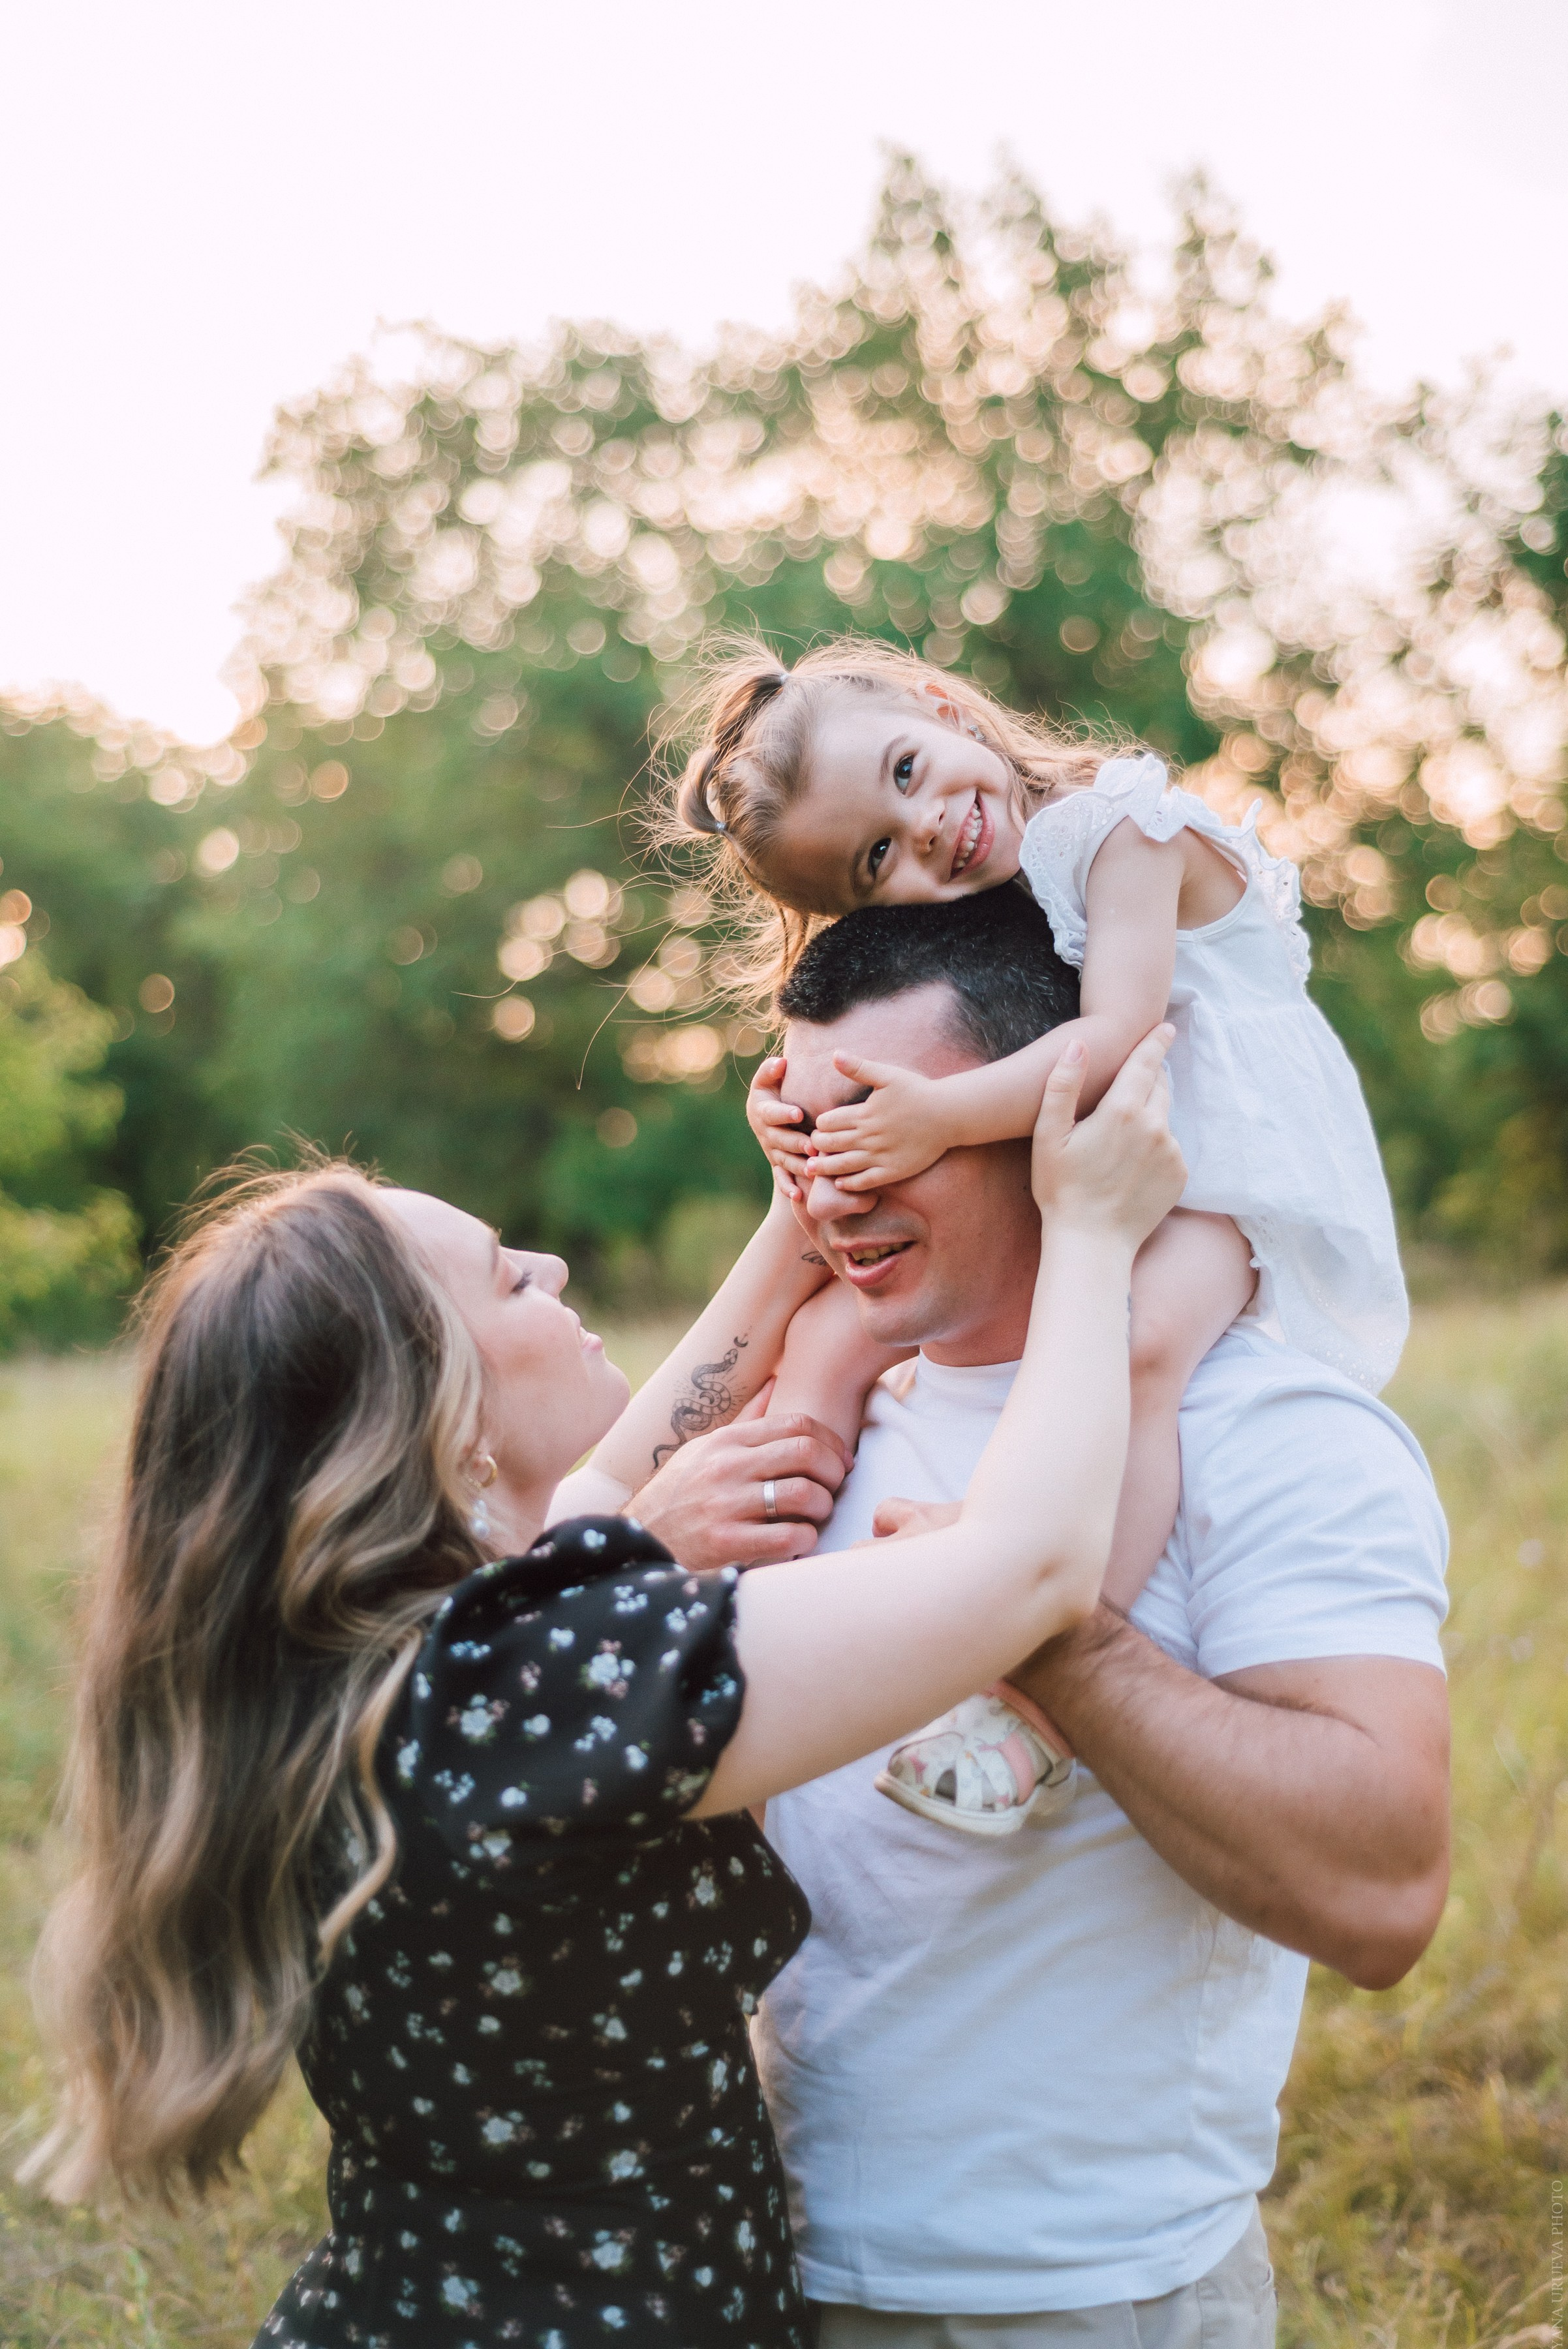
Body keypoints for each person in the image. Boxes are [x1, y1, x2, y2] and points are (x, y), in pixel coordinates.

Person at [23, 1037, 1182, 2349]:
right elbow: (1025, 1569)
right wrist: (1089, 1231)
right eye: (511, 1277)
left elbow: (591, 1502)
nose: (556, 1268)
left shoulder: (404, 1657)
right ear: (450, 1420)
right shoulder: (529, 1688)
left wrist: (796, 1220)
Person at [617, 888, 1451, 2347]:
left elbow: (1381, 1897)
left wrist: (1050, 1633)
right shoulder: (788, 1430)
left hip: (1084, 2295)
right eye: (806, 1139)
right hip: (751, 2265)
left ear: (1051, 1112)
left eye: (891, 1129)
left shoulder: (1264, 1430)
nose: (837, 1187)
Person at [660, 635, 1408, 1831]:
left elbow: (1115, 1034)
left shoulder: (1121, 829)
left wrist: (939, 1117)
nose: (929, 835)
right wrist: (788, 1104)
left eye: (909, 774)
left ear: (944, 702)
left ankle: (1035, 1690)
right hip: (1124, 1127)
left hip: (1239, 1161)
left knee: (1139, 1348)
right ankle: (777, 1545)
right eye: (875, 862)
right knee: (829, 1338)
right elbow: (868, 1003)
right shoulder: (974, 881)